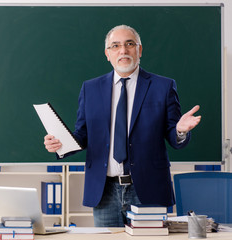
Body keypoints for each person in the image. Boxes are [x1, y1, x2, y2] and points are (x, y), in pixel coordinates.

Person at [43, 25, 201, 227]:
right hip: (104, 190)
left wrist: (180, 130)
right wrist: (60, 144)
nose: (123, 51)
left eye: (129, 44)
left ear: (139, 50)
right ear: (107, 54)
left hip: (148, 189)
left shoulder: (163, 86)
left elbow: (174, 139)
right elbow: (82, 134)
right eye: (115, 46)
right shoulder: (90, 88)